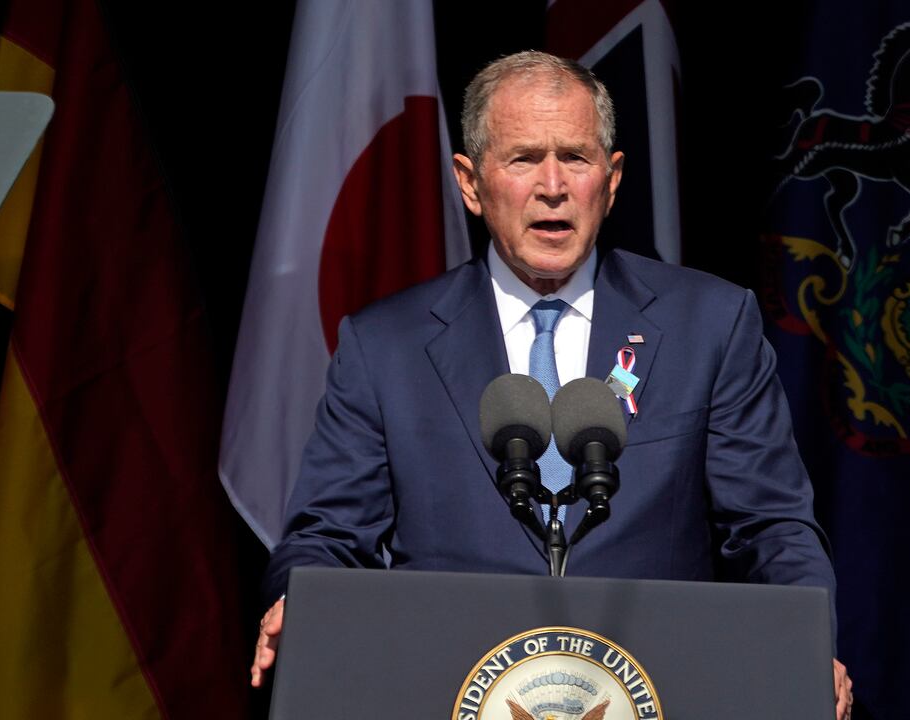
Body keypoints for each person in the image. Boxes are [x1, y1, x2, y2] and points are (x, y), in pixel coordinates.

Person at [251, 50, 853, 718]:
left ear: (612, 178)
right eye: (522, 158)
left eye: (574, 157)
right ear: (471, 182)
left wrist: (806, 640)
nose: (553, 186)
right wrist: (300, 602)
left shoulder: (711, 326)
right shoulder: (384, 348)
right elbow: (326, 537)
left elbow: (774, 530)